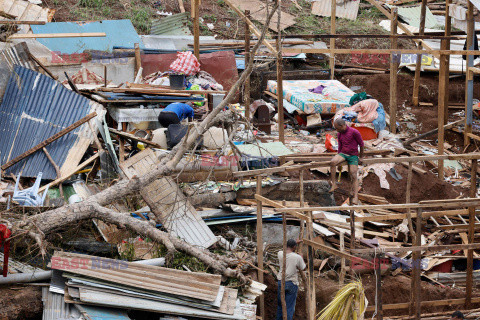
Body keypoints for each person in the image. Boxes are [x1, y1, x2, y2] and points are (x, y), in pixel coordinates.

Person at [329, 118, 364, 204]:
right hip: (343, 154)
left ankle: (355, 196)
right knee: (332, 162)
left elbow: (361, 144)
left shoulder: (354, 132)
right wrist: (339, 158)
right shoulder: (340, 134)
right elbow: (340, 147)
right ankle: (334, 184)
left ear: (342, 126)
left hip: (353, 155)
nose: (337, 130)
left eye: (337, 128)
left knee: (353, 173)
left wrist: (361, 157)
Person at [276, 239, 306, 320]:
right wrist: (302, 257)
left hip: (280, 282)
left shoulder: (280, 254)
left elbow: (285, 249)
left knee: (280, 306)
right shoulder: (297, 257)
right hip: (291, 284)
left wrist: (294, 242)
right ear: (294, 247)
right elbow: (303, 267)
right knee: (289, 307)